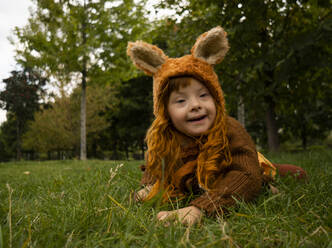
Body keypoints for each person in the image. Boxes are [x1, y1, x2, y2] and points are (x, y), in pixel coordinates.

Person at [127, 26, 307, 226]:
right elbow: (156, 167)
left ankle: (266, 183)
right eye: (180, 101)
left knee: (277, 175)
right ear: (165, 112)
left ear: (216, 98)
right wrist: (149, 187)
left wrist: (200, 208)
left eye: (203, 95)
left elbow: (244, 174)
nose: (195, 105)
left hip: (237, 167)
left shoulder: (229, 128)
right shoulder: (165, 136)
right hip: (197, 179)